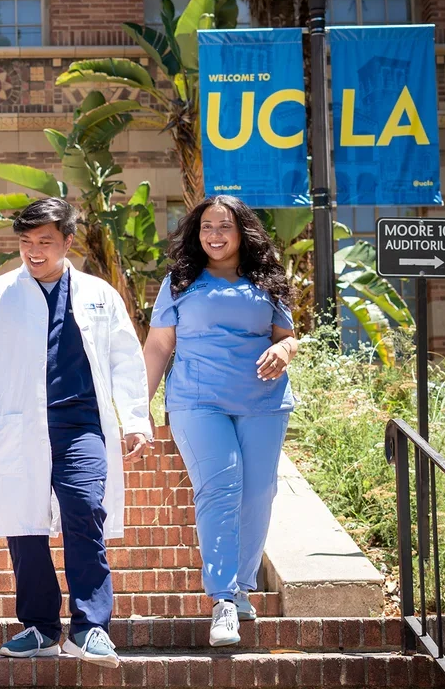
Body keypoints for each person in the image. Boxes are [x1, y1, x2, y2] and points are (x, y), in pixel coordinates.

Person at [0, 197, 152, 668]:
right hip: (17, 424)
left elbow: (125, 359)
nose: (34, 252)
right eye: (25, 242)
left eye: (45, 242)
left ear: (67, 242)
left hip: (81, 425)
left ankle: (90, 628)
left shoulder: (99, 294)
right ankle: (40, 627)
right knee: (25, 526)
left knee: (85, 509)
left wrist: (136, 420)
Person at [141, 194, 299, 647]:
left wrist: (283, 350)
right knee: (220, 487)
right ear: (196, 232)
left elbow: (287, 336)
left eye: (223, 227)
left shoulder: (267, 279)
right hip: (197, 400)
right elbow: (157, 347)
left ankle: (243, 588)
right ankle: (223, 600)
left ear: (241, 232)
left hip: (263, 401)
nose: (214, 235)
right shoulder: (180, 281)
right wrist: (137, 411)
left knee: (259, 493)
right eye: (206, 226)